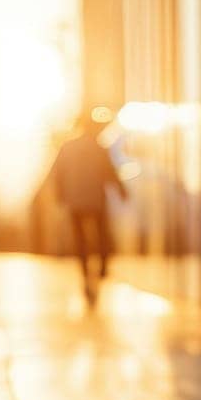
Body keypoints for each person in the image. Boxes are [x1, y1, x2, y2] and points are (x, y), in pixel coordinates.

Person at [46, 111, 127, 301]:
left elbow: (57, 173)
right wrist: (122, 191)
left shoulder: (68, 147)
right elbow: (110, 172)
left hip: (75, 200)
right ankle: (102, 267)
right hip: (96, 199)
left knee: (80, 240)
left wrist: (60, 196)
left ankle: (85, 272)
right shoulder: (99, 148)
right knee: (101, 235)